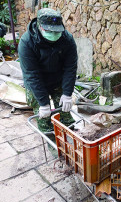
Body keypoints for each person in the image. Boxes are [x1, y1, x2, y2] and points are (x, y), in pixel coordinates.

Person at [18, 8, 77, 146]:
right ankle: (53, 144)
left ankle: (72, 141)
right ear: (39, 26)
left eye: (56, 31)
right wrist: (44, 103)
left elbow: (70, 67)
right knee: (44, 116)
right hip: (37, 82)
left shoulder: (67, 39)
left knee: (65, 111)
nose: (54, 34)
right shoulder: (27, 43)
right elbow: (32, 74)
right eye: (49, 31)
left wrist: (67, 93)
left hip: (57, 79)